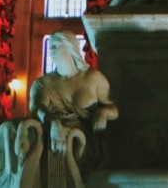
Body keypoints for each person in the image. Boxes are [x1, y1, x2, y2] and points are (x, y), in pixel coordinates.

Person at [29, 30, 118, 180]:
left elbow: (113, 108)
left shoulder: (94, 78)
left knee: (69, 141)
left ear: (70, 47)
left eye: (56, 45)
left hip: (83, 139)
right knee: (14, 131)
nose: (51, 50)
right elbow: (38, 108)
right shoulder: (43, 84)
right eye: (50, 46)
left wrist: (103, 113)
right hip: (51, 132)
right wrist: (54, 123)